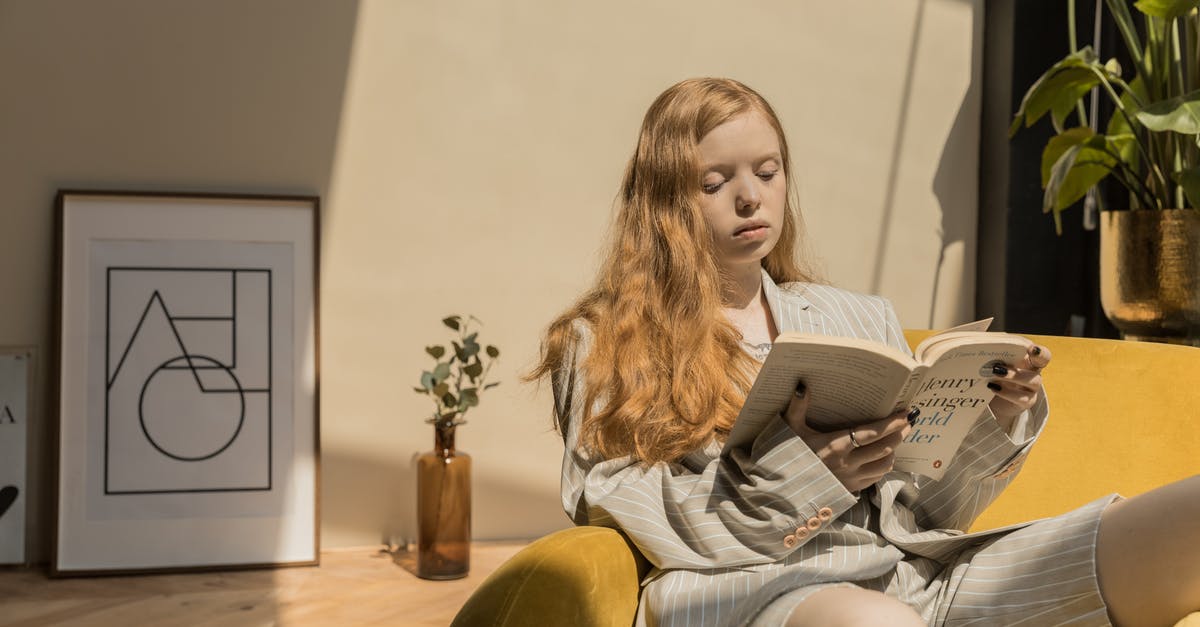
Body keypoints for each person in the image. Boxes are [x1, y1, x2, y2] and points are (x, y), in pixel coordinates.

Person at [528, 77, 1199, 626]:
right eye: (715, 181)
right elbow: (626, 508)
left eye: (768, 171)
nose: (751, 196)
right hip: (754, 592)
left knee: (1185, 522)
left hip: (913, 577)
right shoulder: (606, 341)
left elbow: (925, 509)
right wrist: (807, 475)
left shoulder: (853, 317)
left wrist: (984, 420)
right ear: (666, 199)